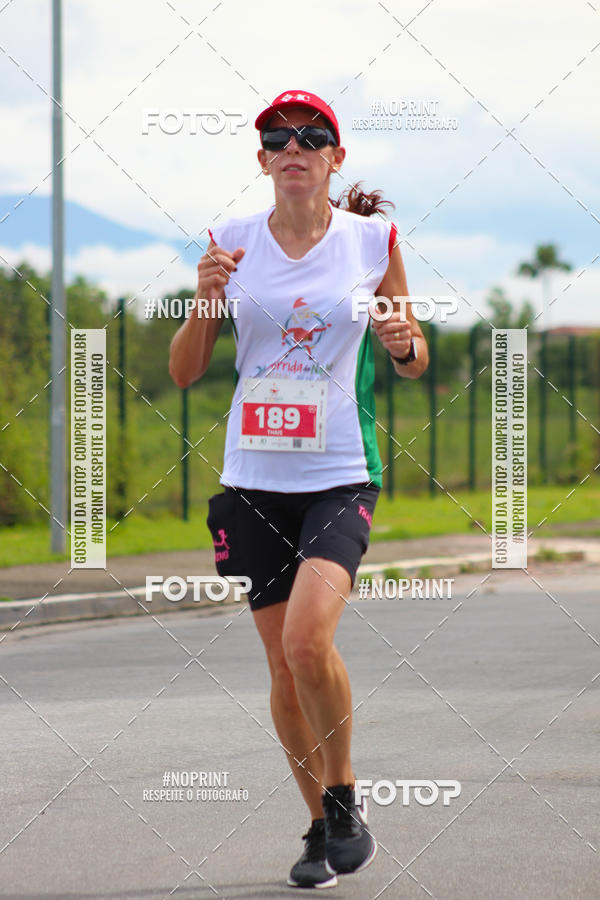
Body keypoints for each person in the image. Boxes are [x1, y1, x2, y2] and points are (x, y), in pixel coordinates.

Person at [169, 89, 429, 889]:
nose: (294, 146)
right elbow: (184, 372)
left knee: (307, 642)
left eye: (312, 136)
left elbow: (414, 356)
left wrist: (403, 340)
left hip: (337, 474)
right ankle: (317, 826)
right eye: (278, 137)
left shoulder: (370, 240)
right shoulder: (231, 244)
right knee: (283, 671)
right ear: (262, 160)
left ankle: (346, 799)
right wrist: (206, 297)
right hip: (252, 479)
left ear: (334, 158)